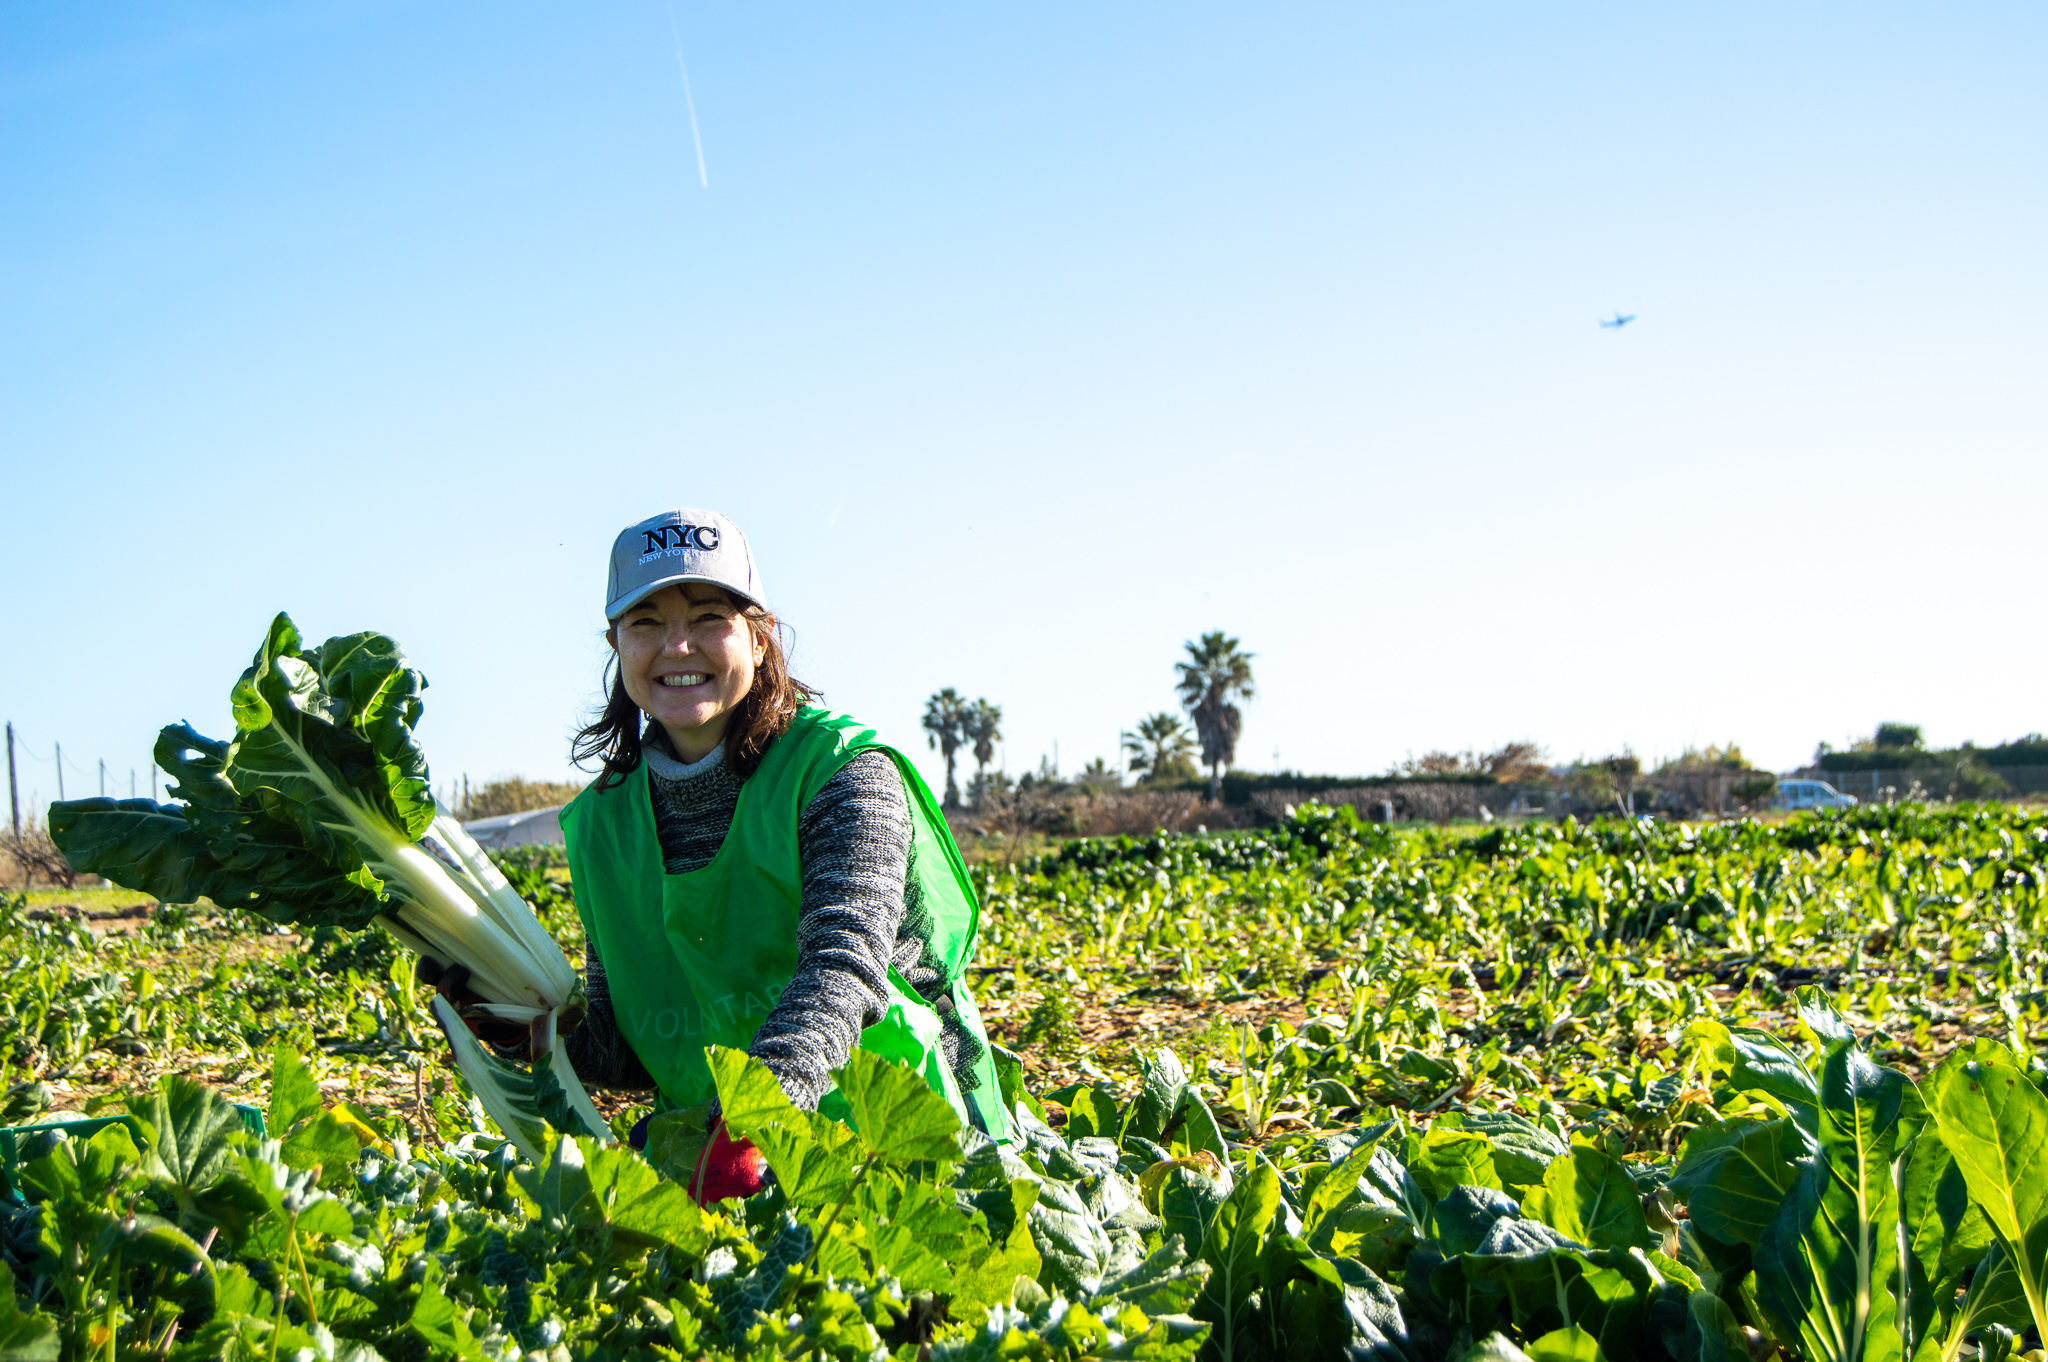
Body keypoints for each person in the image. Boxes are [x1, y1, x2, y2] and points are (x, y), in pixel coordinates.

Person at [433, 507, 1009, 1202]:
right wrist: (522, 1029)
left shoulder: (841, 773)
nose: (678, 647)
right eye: (646, 623)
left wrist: (756, 1119)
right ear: (617, 645)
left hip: (900, 1144)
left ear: (760, 639)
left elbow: (844, 963)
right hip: (719, 1160)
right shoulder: (605, 824)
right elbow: (639, 1045)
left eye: (709, 617)